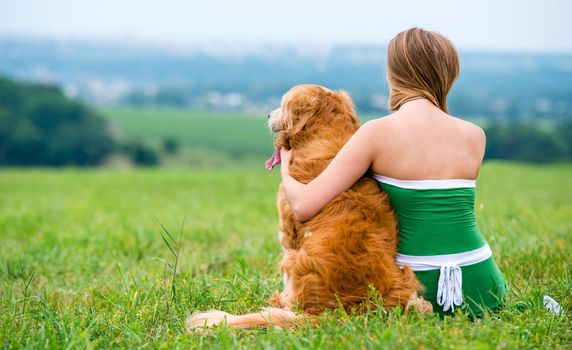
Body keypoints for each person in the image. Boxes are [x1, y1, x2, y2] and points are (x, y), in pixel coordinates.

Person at [279, 27, 508, 315]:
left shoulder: (376, 133)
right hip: (483, 285)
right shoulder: (475, 135)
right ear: (448, 75)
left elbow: (303, 206)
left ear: (394, 75)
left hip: (416, 289)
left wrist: (287, 164)